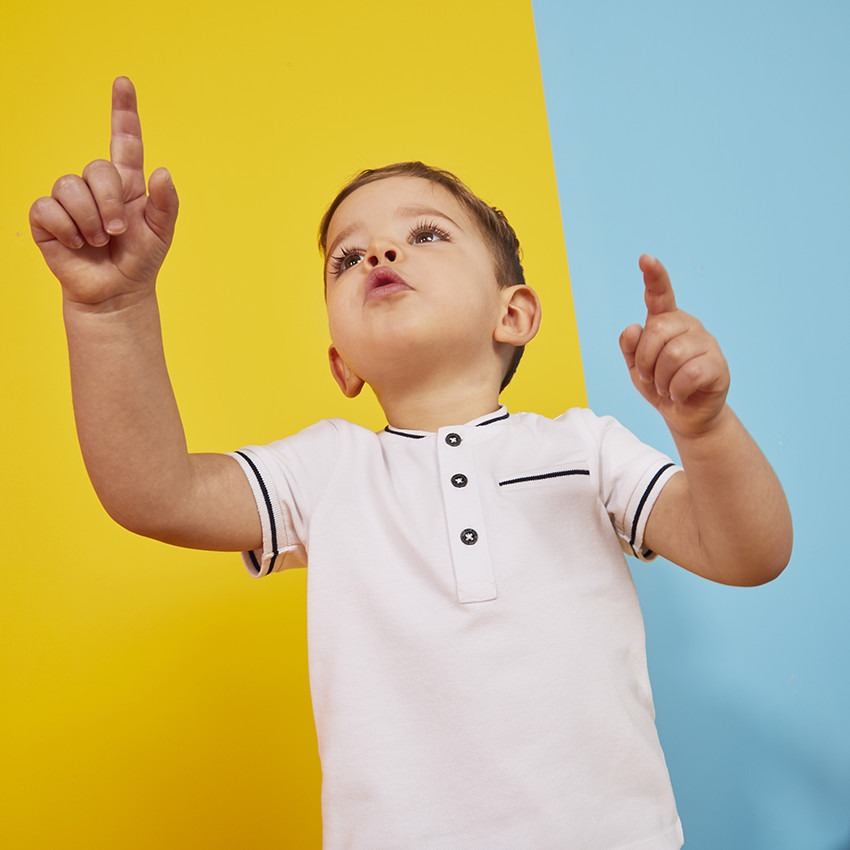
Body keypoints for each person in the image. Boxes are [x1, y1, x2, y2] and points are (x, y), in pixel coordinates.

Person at [30, 77, 792, 849]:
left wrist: (705, 428)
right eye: (347, 256)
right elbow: (154, 493)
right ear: (341, 365)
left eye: (426, 234)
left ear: (514, 313)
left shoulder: (584, 450)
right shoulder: (325, 472)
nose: (381, 253)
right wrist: (110, 311)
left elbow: (750, 554)